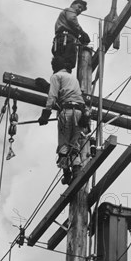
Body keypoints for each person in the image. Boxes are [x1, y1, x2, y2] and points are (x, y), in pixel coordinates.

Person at [38, 56, 88, 185]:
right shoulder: (73, 78)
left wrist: (46, 113)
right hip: (80, 113)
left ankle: (66, 173)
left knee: (63, 144)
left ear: (54, 67)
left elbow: (52, 95)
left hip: (67, 111)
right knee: (74, 144)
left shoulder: (56, 76)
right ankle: (76, 169)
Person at [51, 0, 91, 70]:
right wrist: (82, 32)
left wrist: (79, 37)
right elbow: (71, 19)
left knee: (59, 64)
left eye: (81, 10)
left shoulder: (65, 18)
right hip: (66, 40)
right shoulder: (70, 10)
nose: (79, 10)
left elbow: (71, 26)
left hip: (60, 41)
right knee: (68, 63)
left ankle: (59, 78)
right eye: (79, 6)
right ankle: (64, 78)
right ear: (73, 4)